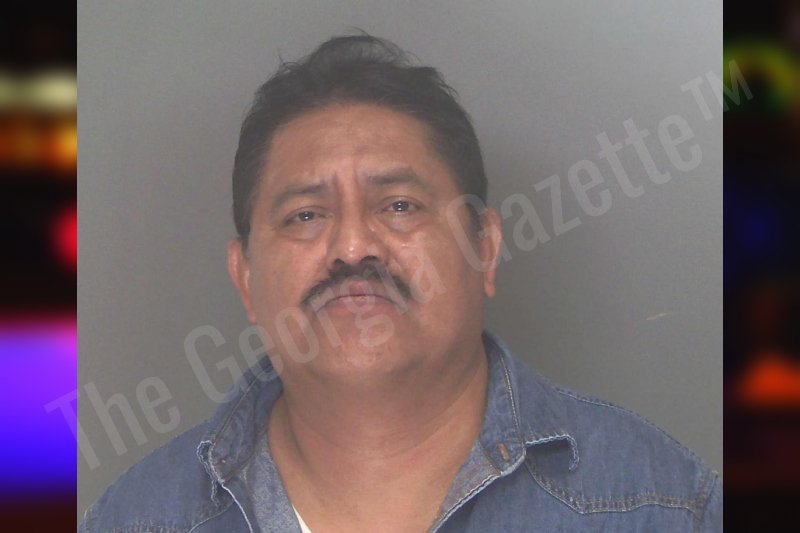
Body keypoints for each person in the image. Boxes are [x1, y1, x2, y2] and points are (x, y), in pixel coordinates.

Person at [79, 34, 721, 533]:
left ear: (484, 248)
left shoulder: (662, 506)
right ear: (245, 278)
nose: (352, 246)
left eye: (399, 205)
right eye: (305, 215)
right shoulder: (134, 520)